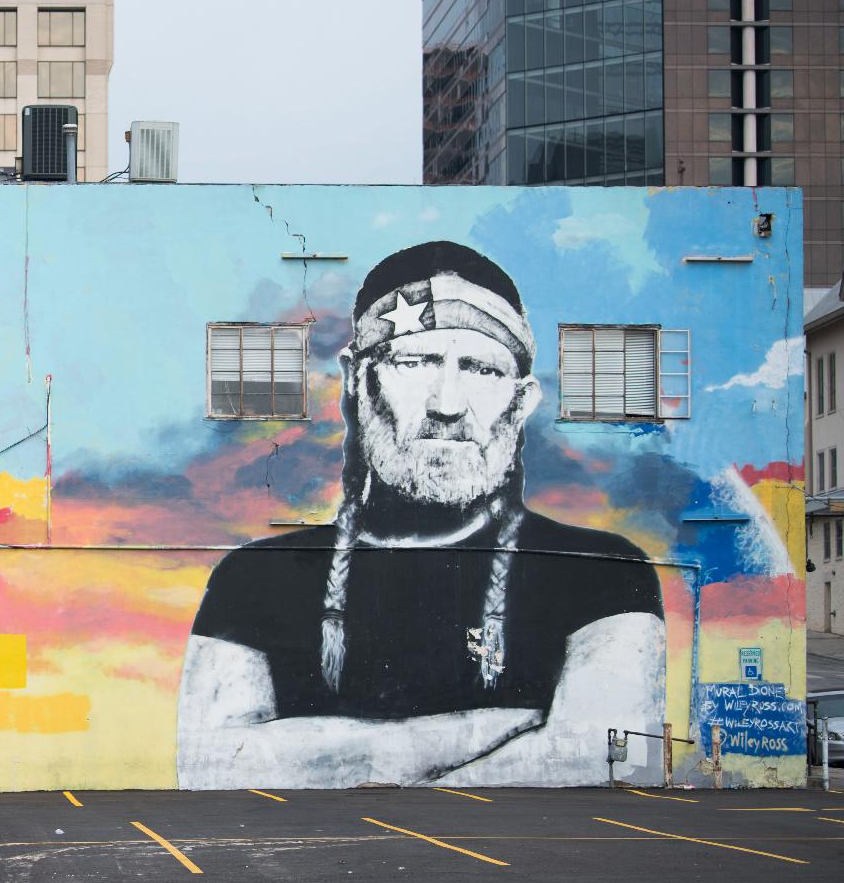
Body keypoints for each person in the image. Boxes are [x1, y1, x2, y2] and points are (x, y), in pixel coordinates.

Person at [175, 241, 664, 789]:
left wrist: (318, 756)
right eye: (416, 362)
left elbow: (621, 760)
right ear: (358, 381)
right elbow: (209, 768)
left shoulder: (602, 572)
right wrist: (493, 731)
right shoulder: (255, 577)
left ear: (522, 400)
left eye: (480, 369)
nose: (448, 405)